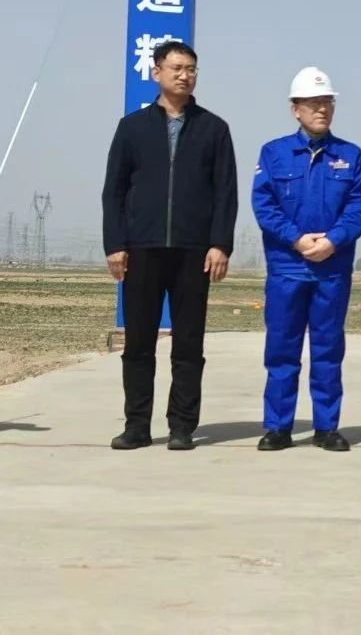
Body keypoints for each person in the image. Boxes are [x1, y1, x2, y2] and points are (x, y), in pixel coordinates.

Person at [101, 40, 238, 451]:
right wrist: (115, 244)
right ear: (156, 71)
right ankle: (136, 426)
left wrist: (220, 244)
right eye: (176, 67)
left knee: (189, 344)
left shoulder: (214, 129)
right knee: (138, 344)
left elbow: (225, 193)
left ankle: (182, 426)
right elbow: (114, 191)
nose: (184, 75)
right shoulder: (132, 128)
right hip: (141, 249)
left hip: (194, 252)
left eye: (191, 69)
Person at [251, 67, 361, 452]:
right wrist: (297, 240)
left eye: (327, 102)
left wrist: (334, 241)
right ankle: (278, 427)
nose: (322, 109)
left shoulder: (350, 155)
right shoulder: (273, 153)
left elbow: (360, 205)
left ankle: (326, 426)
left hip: (331, 270)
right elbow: (264, 205)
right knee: (281, 350)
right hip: (287, 268)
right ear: (295, 109)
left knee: (328, 350)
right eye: (313, 103)